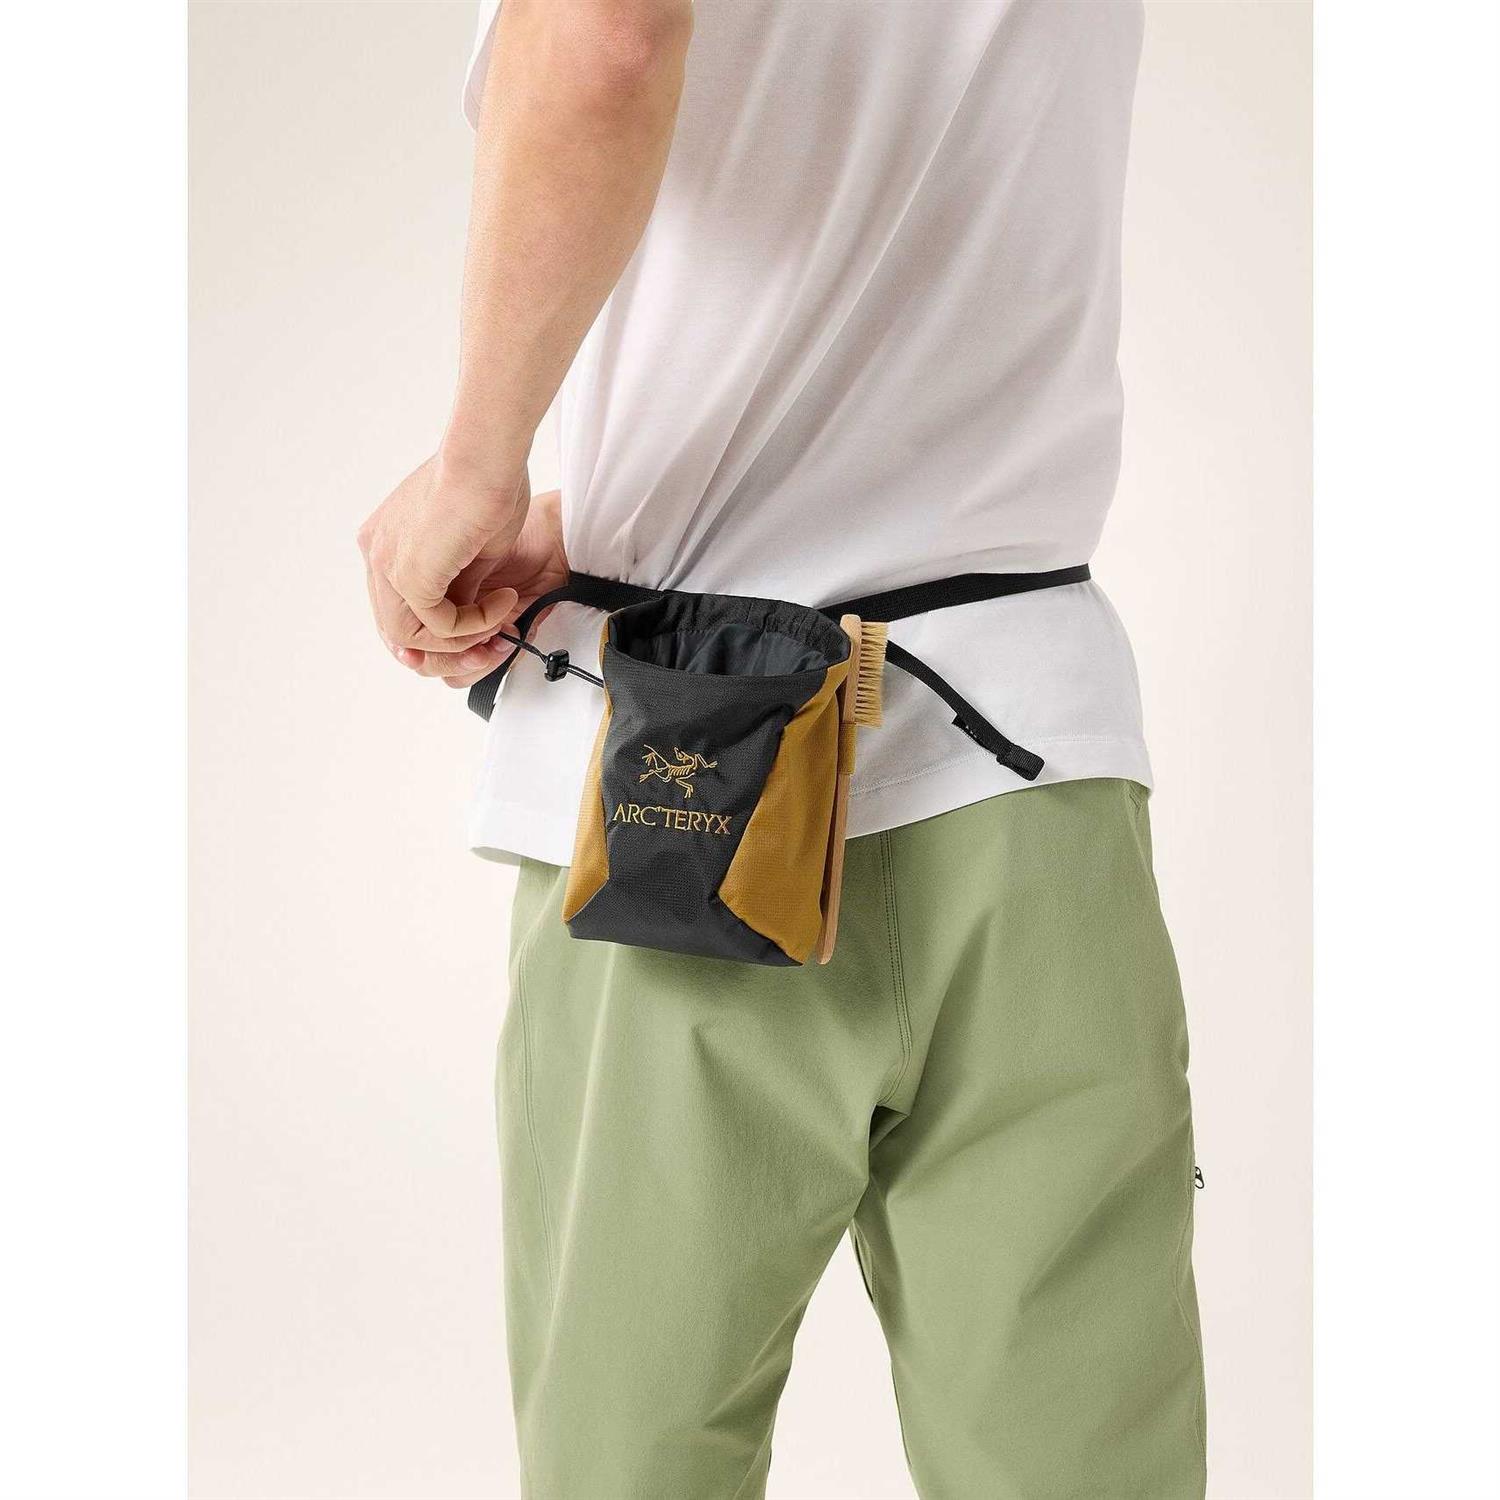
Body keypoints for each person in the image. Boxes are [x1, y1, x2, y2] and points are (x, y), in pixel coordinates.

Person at [357, 0, 1206, 1494]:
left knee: (633, 1453)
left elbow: (608, 38)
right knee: (1081, 1459)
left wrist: (478, 466)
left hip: (683, 782)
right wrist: (599, 503)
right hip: (1031, 752)